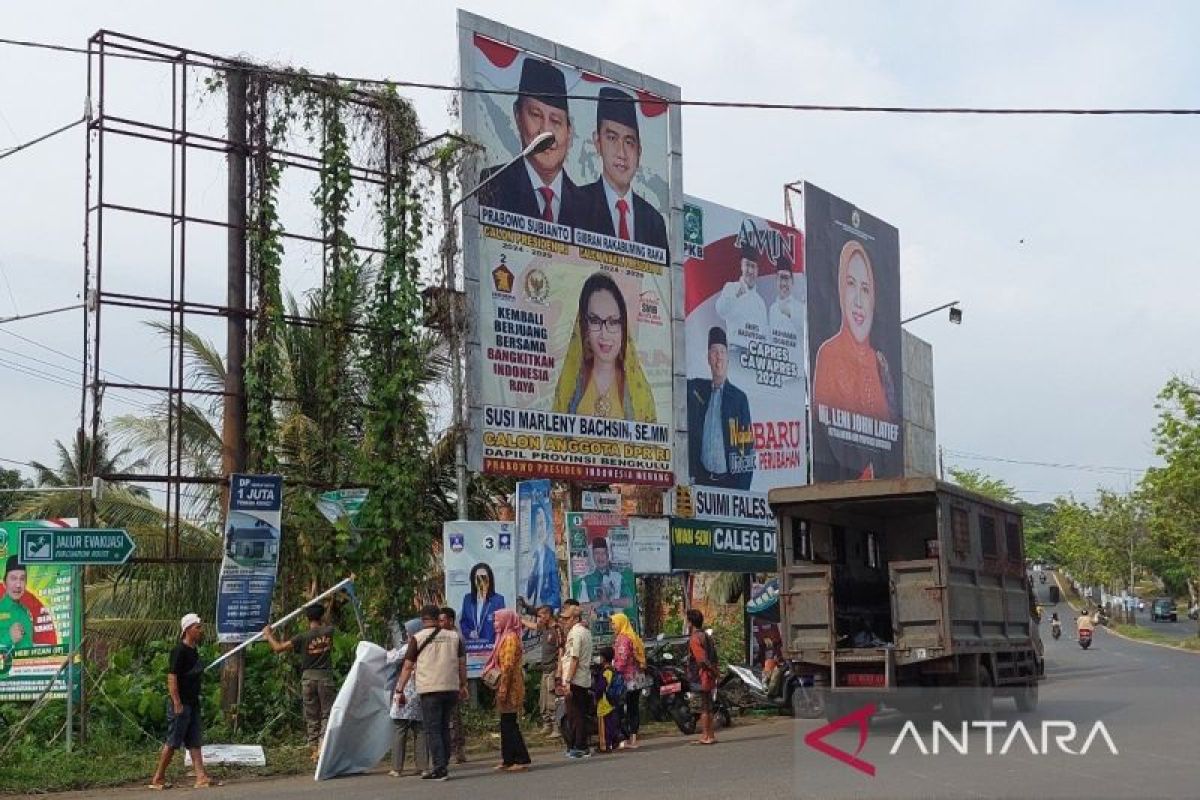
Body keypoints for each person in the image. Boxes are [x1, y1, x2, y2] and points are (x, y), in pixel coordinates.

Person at [477, 57, 584, 225]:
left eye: (556, 121)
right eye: (535, 115)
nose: (545, 131)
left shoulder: (588, 206)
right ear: (518, 116)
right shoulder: (493, 184)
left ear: (569, 132)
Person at [812, 239, 897, 422]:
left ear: (873, 297)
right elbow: (821, 428)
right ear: (841, 290)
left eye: (865, 289)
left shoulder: (879, 363)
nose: (858, 301)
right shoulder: (829, 354)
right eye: (851, 284)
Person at [552, 271, 656, 422]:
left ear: (623, 327)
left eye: (613, 322)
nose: (604, 334)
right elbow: (554, 441)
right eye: (595, 321)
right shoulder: (570, 388)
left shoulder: (639, 393)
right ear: (584, 327)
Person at [576, 86, 669, 255]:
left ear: (639, 151)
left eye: (629, 142)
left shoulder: (653, 221)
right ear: (597, 142)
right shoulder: (576, 204)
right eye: (612, 138)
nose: (622, 153)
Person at [395, 605, 468, 781]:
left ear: (422, 620)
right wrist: (463, 684)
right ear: (438, 618)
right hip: (450, 688)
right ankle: (444, 763)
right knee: (444, 727)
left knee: (432, 729)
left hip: (429, 690)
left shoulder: (417, 638)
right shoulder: (454, 637)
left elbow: (407, 666)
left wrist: (399, 688)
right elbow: (462, 664)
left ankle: (439, 767)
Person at [148, 613, 216, 790]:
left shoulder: (193, 650)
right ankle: (158, 777)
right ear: (187, 630)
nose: (200, 631)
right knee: (173, 743)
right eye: (197, 627)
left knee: (194, 741)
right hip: (181, 704)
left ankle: (201, 777)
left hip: (193, 703)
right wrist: (176, 702)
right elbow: (172, 678)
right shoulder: (179, 651)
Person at [261, 604, 336, 761]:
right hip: (325, 678)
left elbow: (278, 648)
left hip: (308, 679)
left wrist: (268, 635)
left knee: (311, 715)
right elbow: (328, 620)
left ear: (307, 619)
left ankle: (314, 749)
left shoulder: (302, 637)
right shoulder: (329, 632)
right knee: (326, 714)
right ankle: (323, 746)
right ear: (322, 617)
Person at [686, 326, 754, 490]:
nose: (719, 358)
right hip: (702, 481)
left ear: (728, 358)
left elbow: (747, 448)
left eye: (722, 352)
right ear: (708, 358)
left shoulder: (739, 399)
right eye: (714, 352)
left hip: (729, 483)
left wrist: (742, 491)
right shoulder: (698, 389)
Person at [487, 609, 532, 772]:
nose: (495, 624)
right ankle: (508, 759)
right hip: (506, 685)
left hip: (511, 685)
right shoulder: (503, 637)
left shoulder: (510, 639)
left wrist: (504, 688)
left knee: (510, 724)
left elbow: (507, 666)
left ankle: (521, 759)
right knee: (506, 723)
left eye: (497, 620)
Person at [390, 618, 428, 777]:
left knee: (400, 728)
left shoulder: (409, 646)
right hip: (422, 689)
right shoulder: (427, 645)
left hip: (405, 691)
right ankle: (423, 766)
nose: (406, 633)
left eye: (408, 631)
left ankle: (397, 768)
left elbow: (391, 658)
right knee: (420, 729)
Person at [715, 243, 769, 351]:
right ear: (741, 266)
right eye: (747, 265)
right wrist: (735, 296)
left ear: (757, 270)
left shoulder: (760, 302)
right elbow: (720, 310)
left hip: (755, 357)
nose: (750, 271)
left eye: (753, 266)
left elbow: (764, 334)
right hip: (735, 350)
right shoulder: (731, 287)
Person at [557, 602, 594, 758]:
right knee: (576, 713)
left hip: (576, 679)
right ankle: (578, 744)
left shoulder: (576, 633)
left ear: (574, 618)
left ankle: (580, 746)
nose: (564, 621)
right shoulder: (584, 631)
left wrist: (568, 681)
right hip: (581, 678)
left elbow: (574, 658)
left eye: (567, 618)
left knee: (575, 714)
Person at [521, 604, 563, 736]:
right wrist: (520, 619)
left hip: (553, 669)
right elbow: (533, 626)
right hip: (545, 669)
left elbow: (562, 650)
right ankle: (547, 724)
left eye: (540, 616)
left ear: (547, 615)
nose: (538, 619)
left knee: (552, 700)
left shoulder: (556, 629)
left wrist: (559, 670)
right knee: (543, 700)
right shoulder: (544, 627)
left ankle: (557, 728)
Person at [578, 537, 634, 624]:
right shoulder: (586, 580)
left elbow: (630, 602)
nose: (600, 557)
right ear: (592, 556)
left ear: (608, 555)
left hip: (617, 625)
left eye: (603, 553)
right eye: (597, 553)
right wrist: (599, 602)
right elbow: (581, 607)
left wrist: (610, 602)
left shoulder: (618, 577)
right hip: (595, 625)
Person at [610, 611, 645, 749]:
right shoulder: (632, 636)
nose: (612, 626)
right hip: (636, 678)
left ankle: (623, 739)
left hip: (627, 679)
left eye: (613, 623)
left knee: (620, 708)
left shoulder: (623, 639)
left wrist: (612, 668)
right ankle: (633, 738)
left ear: (620, 623)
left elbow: (622, 660)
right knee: (633, 708)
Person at [438, 607, 469, 764]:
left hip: (454, 683)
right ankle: (446, 750)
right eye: (439, 620)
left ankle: (459, 750)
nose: (440, 623)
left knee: (455, 718)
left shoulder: (457, 638)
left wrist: (463, 683)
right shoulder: (438, 636)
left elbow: (462, 663)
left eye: (443, 620)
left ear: (450, 620)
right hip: (440, 682)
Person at [686, 609, 718, 746]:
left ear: (690, 622)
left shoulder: (695, 638)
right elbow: (714, 656)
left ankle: (706, 735)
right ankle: (711, 734)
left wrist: (710, 669)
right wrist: (715, 671)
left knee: (704, 706)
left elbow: (701, 659)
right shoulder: (707, 635)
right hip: (709, 674)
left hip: (701, 674)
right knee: (709, 705)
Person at [522, 504, 561, 612]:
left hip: (547, 610)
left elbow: (556, 591)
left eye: (542, 523)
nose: (540, 529)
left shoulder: (552, 557)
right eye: (537, 525)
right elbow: (528, 593)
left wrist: (547, 607)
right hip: (534, 609)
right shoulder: (533, 556)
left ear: (547, 526)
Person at [459, 563, 506, 647]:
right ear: (473, 580)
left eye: (484, 577)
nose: (481, 580)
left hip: (492, 647)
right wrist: (469, 633)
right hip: (472, 647)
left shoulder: (498, 599)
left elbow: (502, 625)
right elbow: (463, 622)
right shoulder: (467, 599)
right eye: (478, 577)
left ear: (489, 579)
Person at [592, 646, 625, 753]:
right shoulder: (612, 669)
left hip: (604, 702)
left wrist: (596, 697)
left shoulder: (606, 671)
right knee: (610, 723)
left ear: (604, 658)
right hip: (611, 701)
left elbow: (601, 687)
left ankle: (604, 745)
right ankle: (613, 741)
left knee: (603, 725)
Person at [0, 557, 33, 651]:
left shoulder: (26, 612)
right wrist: (9, 637)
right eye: (13, 578)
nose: (18, 585)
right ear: (4, 583)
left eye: (22, 579)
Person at [768, 256, 804, 341]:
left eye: (786, 278)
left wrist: (790, 314)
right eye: (781, 278)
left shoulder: (800, 308)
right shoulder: (772, 309)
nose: (784, 283)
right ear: (776, 280)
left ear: (792, 281)